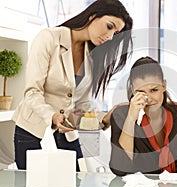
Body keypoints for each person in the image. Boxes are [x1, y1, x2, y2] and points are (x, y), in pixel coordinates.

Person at [12, 0, 133, 171]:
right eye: (109, 26)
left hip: (67, 133)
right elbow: (32, 92)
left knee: (75, 186)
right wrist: (52, 116)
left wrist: (105, 118)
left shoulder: (91, 56)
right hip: (33, 132)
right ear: (92, 16)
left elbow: (81, 105)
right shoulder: (49, 38)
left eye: (116, 32)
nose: (110, 36)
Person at [109, 56, 177, 176]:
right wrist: (131, 118)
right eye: (141, 92)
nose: (149, 99)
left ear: (164, 86)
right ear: (133, 90)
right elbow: (120, 169)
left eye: (154, 90)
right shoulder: (120, 115)